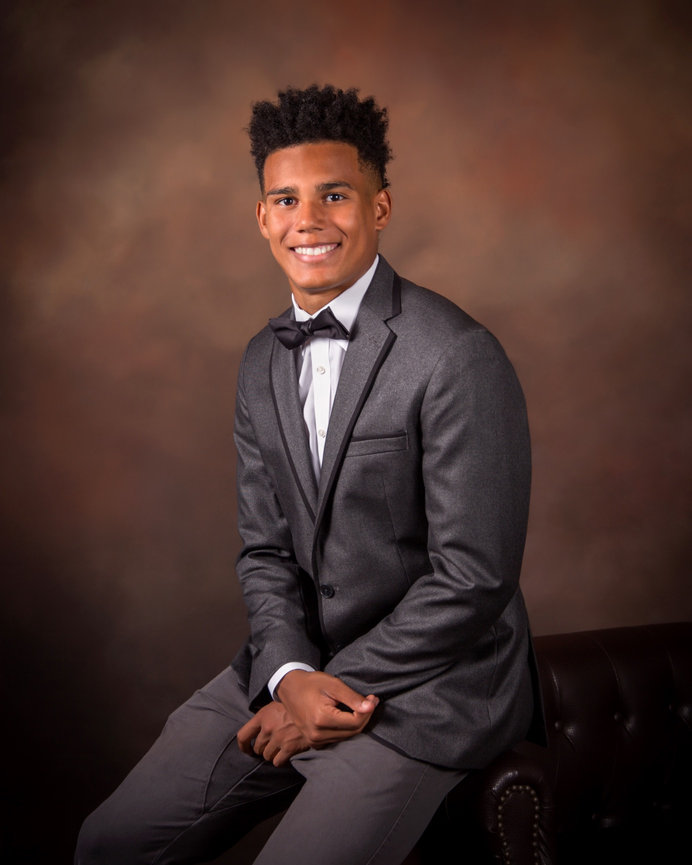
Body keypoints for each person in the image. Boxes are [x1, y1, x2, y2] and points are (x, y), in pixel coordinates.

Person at [76, 84, 544, 865]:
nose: (309, 219)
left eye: (335, 194)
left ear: (380, 207)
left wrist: (327, 686)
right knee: (108, 843)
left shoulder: (458, 355)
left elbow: (474, 576)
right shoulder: (260, 362)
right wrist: (290, 671)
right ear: (263, 218)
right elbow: (264, 549)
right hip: (294, 661)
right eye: (287, 200)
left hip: (431, 687)